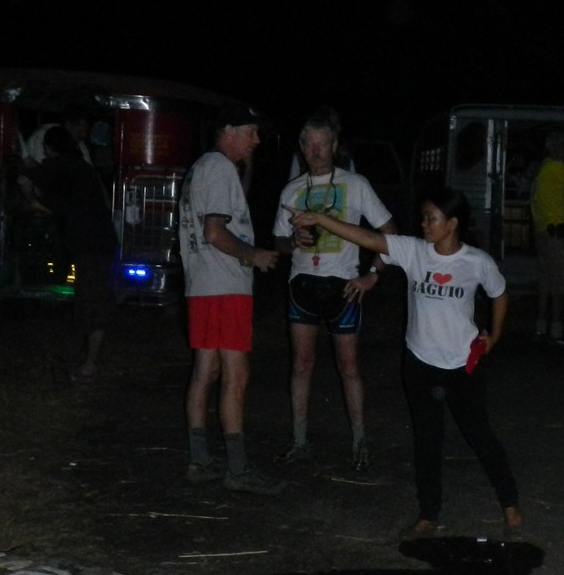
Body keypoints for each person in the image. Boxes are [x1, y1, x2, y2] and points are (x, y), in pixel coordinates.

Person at [292, 189, 521, 540]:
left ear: (452, 224)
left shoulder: (476, 261)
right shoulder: (414, 251)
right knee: (427, 440)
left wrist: (495, 335)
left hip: (463, 364)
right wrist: (322, 219)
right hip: (420, 363)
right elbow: (368, 238)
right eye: (424, 217)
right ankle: (428, 514)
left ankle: (509, 502)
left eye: (431, 218)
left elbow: (499, 293)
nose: (424, 223)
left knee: (479, 434)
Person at [271, 111, 396, 469]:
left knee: (349, 367)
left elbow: (390, 233)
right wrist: (292, 241)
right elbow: (278, 242)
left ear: (334, 146)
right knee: (301, 365)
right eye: (310, 145)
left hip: (344, 288)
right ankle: (299, 441)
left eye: (322, 144)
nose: (316, 151)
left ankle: (359, 442)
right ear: (302, 148)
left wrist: (372, 275)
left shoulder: (355, 185)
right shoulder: (292, 190)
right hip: (302, 286)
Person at [180, 102, 285, 496]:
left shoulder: (202, 167)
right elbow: (215, 232)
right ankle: (238, 469)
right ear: (228, 130)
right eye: (251, 132)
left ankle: (199, 460)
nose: (256, 140)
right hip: (225, 285)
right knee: (236, 374)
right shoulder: (221, 168)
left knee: (204, 370)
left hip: (202, 284)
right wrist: (253, 255)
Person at [23, 126, 116, 383]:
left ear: (49, 148)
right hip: (99, 242)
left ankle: (90, 364)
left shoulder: (60, 165)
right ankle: (88, 357)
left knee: (93, 302)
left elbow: (25, 179)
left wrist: (32, 199)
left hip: (91, 246)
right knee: (89, 299)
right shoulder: (82, 168)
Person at [529, 130, 564, 342]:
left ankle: (540, 326)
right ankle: (556, 328)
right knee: (559, 283)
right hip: (556, 234)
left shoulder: (542, 168)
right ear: (557, 148)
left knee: (545, 282)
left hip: (543, 232)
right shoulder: (557, 167)